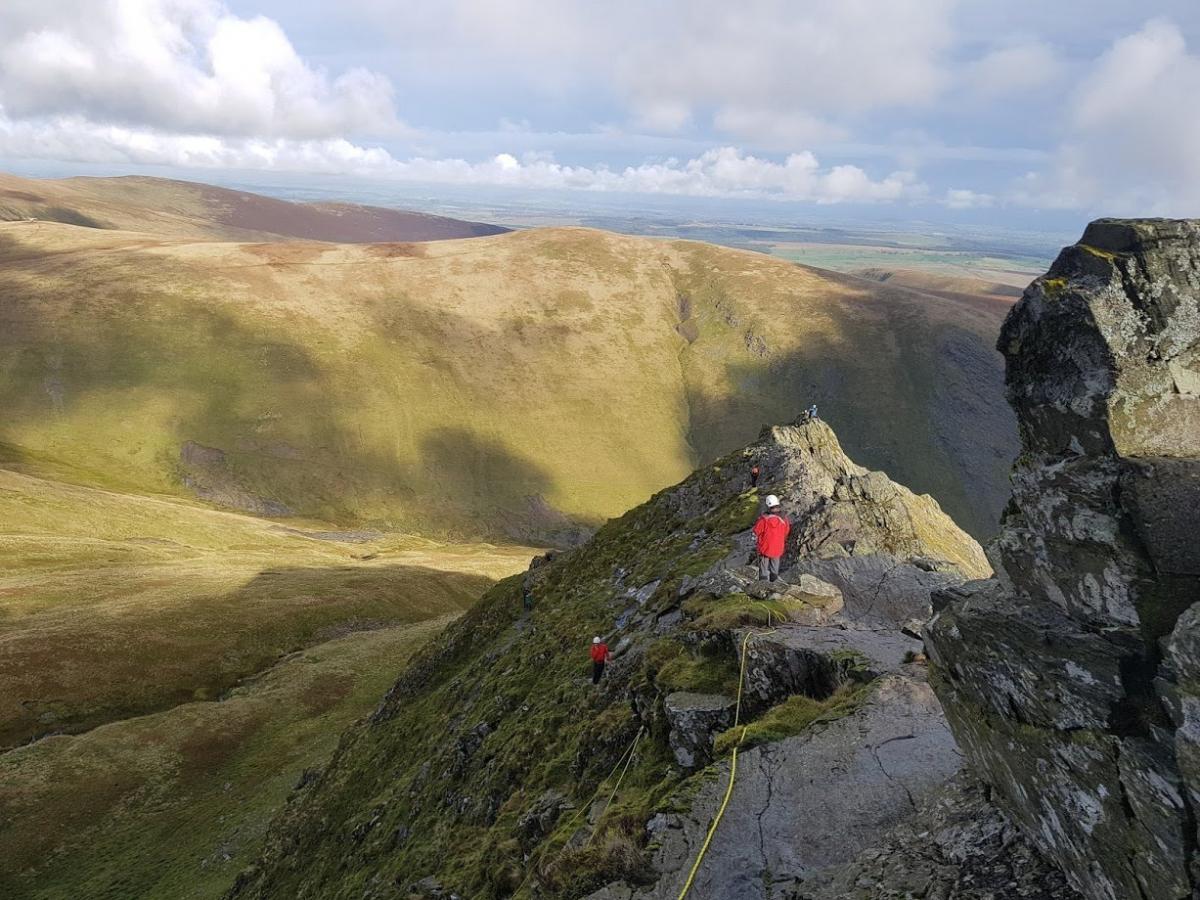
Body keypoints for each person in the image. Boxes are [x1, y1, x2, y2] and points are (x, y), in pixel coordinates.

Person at [752, 494, 790, 582]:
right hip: (778, 547)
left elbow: (756, 532)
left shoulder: (764, 520)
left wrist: (756, 540)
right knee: (775, 567)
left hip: (765, 548)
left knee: (763, 568)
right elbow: (786, 532)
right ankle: (774, 584)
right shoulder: (784, 519)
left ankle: (763, 584)